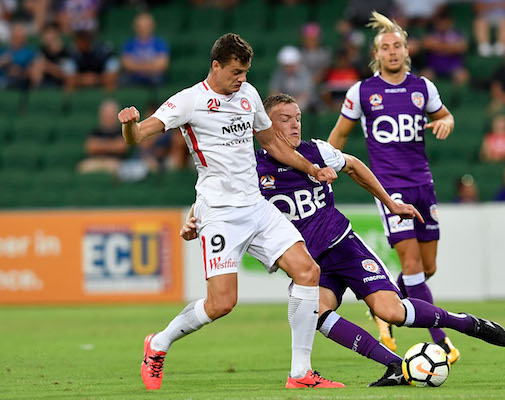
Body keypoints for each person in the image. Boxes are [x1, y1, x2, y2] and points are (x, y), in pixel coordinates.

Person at [181, 93, 505, 387]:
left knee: (392, 312)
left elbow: (354, 166)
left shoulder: (317, 151)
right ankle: (395, 366)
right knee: (317, 314)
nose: (295, 125)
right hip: (309, 265)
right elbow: (216, 190)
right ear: (263, 125)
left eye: (297, 118)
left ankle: (467, 323)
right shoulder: (251, 168)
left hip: (344, 246)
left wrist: (391, 203)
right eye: (285, 120)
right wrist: (194, 216)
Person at [118, 33, 343, 390]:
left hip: (256, 205)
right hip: (220, 213)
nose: (242, 79)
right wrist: (130, 124)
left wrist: (311, 169)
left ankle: (300, 373)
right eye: (236, 72)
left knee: (307, 270)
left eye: (246, 72)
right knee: (222, 303)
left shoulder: (249, 95)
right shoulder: (189, 101)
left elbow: (271, 143)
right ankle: (158, 343)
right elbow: (139, 135)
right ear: (216, 65)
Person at [328, 11, 460, 363]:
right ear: (377, 55)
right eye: (385, 47)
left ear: (406, 50)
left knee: (427, 268)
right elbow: (339, 136)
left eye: (397, 45)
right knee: (413, 263)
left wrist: (446, 122)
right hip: (390, 190)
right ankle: (441, 341)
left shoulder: (423, 88)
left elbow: (444, 116)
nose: (391, 52)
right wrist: (320, 168)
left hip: (423, 185)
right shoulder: (362, 92)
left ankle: (382, 306)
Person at [78, 99, 128, 174]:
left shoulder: (122, 131)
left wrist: (100, 144)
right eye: (106, 114)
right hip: (97, 160)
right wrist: (112, 144)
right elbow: (90, 147)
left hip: (115, 161)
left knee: (114, 167)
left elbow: (121, 147)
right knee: (82, 167)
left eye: (110, 115)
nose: (108, 117)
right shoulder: (95, 131)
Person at [121, 12, 169, 87]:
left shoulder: (159, 43)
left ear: (152, 26)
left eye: (146, 26)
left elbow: (162, 64)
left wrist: (138, 66)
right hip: (134, 76)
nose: (143, 29)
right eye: (140, 26)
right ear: (135, 27)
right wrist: (149, 66)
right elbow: (126, 64)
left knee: (157, 79)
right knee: (123, 80)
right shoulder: (129, 44)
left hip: (153, 75)